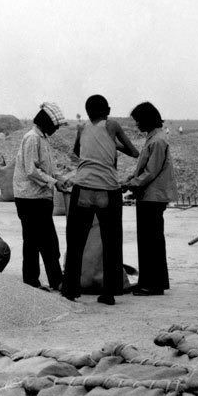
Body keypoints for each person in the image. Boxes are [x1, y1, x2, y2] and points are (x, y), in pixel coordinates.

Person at [60, 94, 139, 306]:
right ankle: (109, 293)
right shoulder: (112, 125)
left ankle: (70, 289)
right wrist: (113, 145)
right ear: (108, 110)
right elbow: (134, 152)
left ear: (87, 112)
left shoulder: (81, 128)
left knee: (76, 241)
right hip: (107, 188)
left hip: (83, 186)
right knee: (111, 242)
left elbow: (76, 151)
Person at [12, 102, 71, 290]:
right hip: (30, 198)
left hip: (41, 197)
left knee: (48, 241)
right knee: (33, 242)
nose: (56, 129)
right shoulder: (32, 138)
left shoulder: (43, 138)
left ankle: (56, 280)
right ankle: (32, 281)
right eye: (55, 126)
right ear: (46, 122)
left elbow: (47, 168)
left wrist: (59, 178)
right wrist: (54, 182)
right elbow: (31, 170)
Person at [123, 101, 177, 296]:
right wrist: (131, 179)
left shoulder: (157, 141)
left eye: (138, 121)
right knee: (147, 241)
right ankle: (147, 281)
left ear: (146, 120)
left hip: (153, 196)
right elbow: (144, 168)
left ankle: (154, 284)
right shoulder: (154, 138)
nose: (137, 125)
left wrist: (132, 184)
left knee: (151, 241)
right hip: (149, 195)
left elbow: (151, 171)